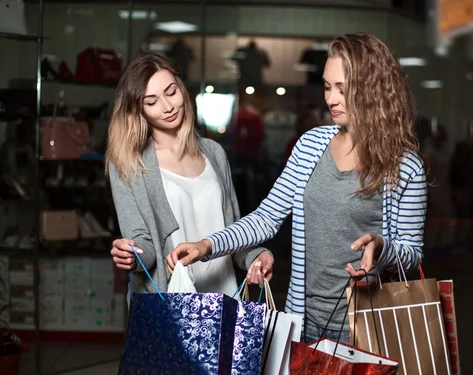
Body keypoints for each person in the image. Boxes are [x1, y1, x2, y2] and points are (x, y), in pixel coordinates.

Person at [167, 33, 427, 343]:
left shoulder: (405, 166)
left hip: (369, 330)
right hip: (304, 325)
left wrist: (382, 247)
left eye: (343, 90)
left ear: (372, 90)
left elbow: (411, 252)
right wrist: (206, 246)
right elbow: (265, 218)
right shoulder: (311, 146)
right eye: (328, 87)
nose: (330, 99)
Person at [106, 52, 273, 296]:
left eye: (171, 92)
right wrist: (131, 254)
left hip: (224, 299)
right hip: (170, 306)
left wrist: (257, 256)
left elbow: (232, 232)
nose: (168, 107)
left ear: (182, 89)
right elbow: (144, 242)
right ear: (137, 110)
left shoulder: (213, 153)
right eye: (151, 102)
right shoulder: (129, 163)